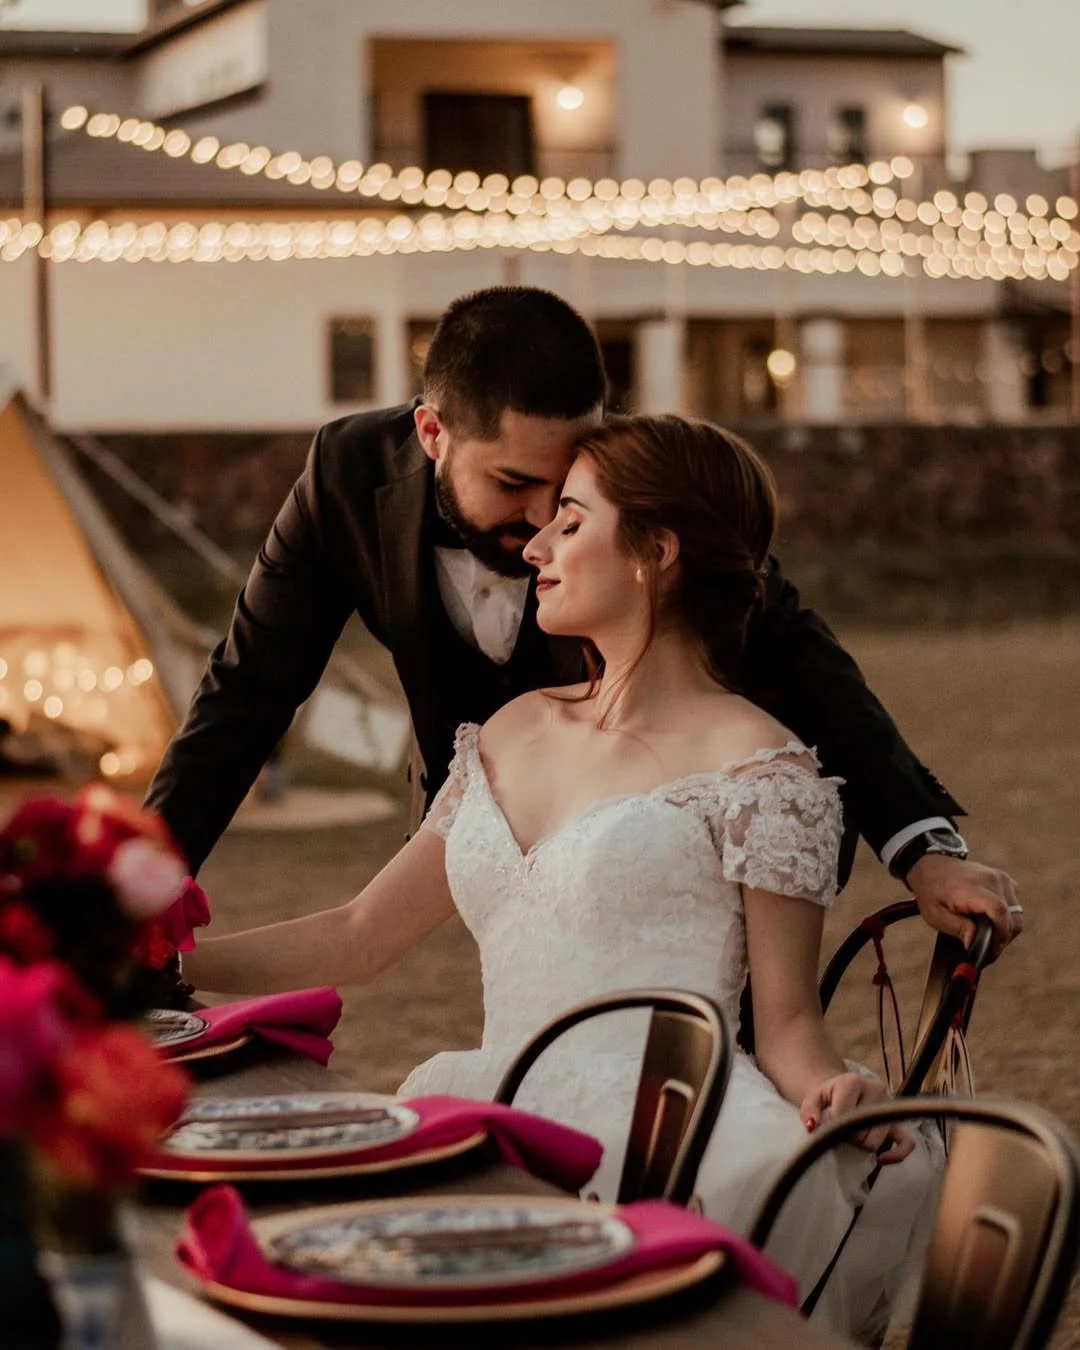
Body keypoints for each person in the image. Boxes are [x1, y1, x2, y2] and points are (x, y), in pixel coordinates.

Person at [184, 415, 941, 1342]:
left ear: (654, 552)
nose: (537, 542)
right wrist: (157, 961)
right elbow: (360, 935)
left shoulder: (764, 775)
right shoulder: (510, 730)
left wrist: (829, 1091)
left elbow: (785, 1027)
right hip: (488, 1110)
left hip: (670, 1143)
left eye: (572, 521)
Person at [146, 285, 1021, 951]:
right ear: (430, 432)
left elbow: (797, 648)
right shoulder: (343, 475)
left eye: (565, 492)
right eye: (513, 485)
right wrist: (139, 885)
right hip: (495, 835)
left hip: (682, 850)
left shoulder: (632, 482)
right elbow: (247, 691)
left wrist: (924, 849)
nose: (540, 524)